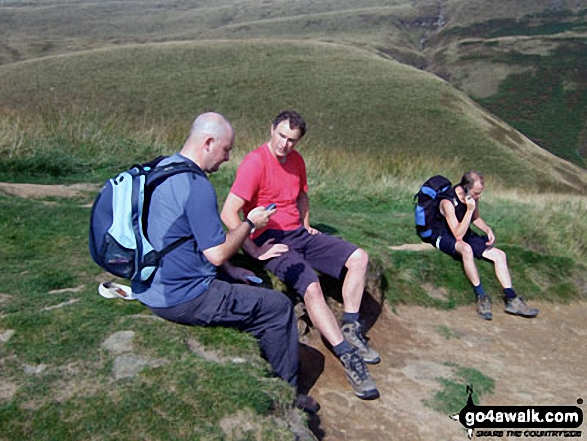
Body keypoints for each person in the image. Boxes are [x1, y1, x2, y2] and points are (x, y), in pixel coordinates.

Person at [131, 112, 318, 413]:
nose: (228, 157)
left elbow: (190, 240)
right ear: (208, 142)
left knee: (245, 287)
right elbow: (217, 252)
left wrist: (230, 270)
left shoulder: (162, 168)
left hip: (151, 282)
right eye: (226, 149)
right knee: (278, 307)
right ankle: (286, 394)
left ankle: (260, 352)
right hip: (181, 296)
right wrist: (250, 223)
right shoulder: (197, 185)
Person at [221, 110, 380, 400]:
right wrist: (255, 250)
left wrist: (306, 223)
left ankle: (351, 324)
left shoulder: (296, 161)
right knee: (312, 286)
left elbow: (302, 194)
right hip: (270, 237)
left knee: (359, 257)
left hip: (299, 234)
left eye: (292, 140)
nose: (285, 144)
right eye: (281, 135)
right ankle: (348, 355)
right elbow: (229, 212)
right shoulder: (255, 162)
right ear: (271, 130)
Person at [434, 171, 539, 320]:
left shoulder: (471, 198)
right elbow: (457, 234)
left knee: (500, 255)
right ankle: (481, 296)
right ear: (465, 187)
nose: (478, 197)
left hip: (463, 231)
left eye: (480, 193)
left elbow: (475, 218)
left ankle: (512, 299)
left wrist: (487, 229)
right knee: (466, 249)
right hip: (444, 234)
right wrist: (469, 210)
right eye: (476, 193)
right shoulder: (447, 202)